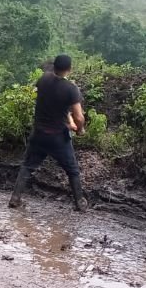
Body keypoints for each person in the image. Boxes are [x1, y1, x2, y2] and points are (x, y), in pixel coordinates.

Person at [9, 54, 88, 211]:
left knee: (27, 166)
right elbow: (79, 116)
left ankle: (15, 198)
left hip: (38, 134)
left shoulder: (43, 79)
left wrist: (69, 120)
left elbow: (53, 104)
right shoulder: (71, 89)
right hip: (58, 137)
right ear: (70, 69)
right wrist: (79, 129)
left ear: (54, 66)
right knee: (72, 170)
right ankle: (80, 203)